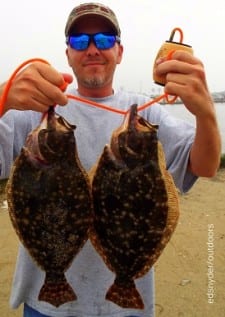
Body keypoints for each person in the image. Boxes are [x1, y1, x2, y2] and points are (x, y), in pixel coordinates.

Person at [0, 2, 221, 317]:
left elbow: (205, 165)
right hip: (44, 304)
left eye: (104, 40)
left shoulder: (146, 113)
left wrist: (206, 113)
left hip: (127, 309)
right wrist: (1, 99)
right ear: (68, 55)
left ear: (119, 51)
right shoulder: (38, 110)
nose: (92, 48)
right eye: (79, 41)